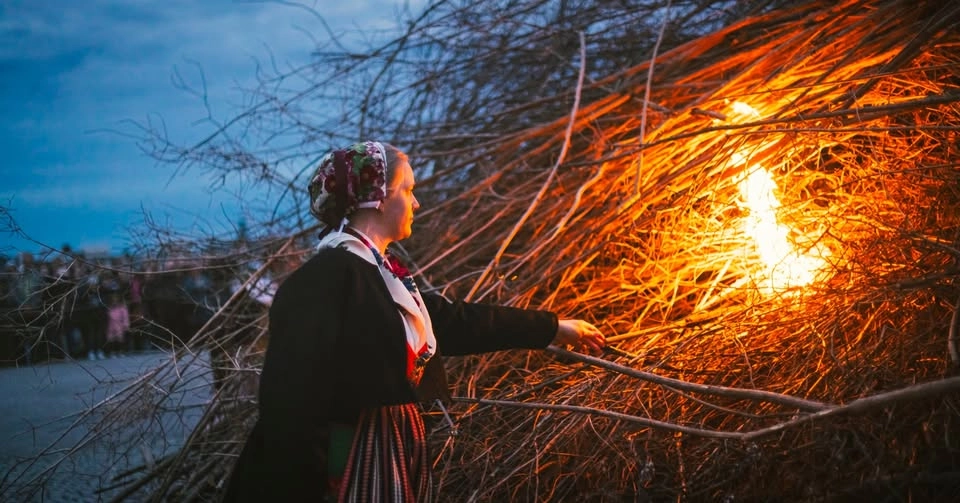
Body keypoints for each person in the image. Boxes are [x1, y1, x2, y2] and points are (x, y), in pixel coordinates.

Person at [222, 141, 605, 502]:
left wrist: (553, 327)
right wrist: (318, 480)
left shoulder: (384, 280)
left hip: (379, 455)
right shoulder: (324, 280)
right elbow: (290, 403)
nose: (416, 202)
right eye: (407, 190)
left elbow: (458, 322)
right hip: (334, 471)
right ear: (376, 197)